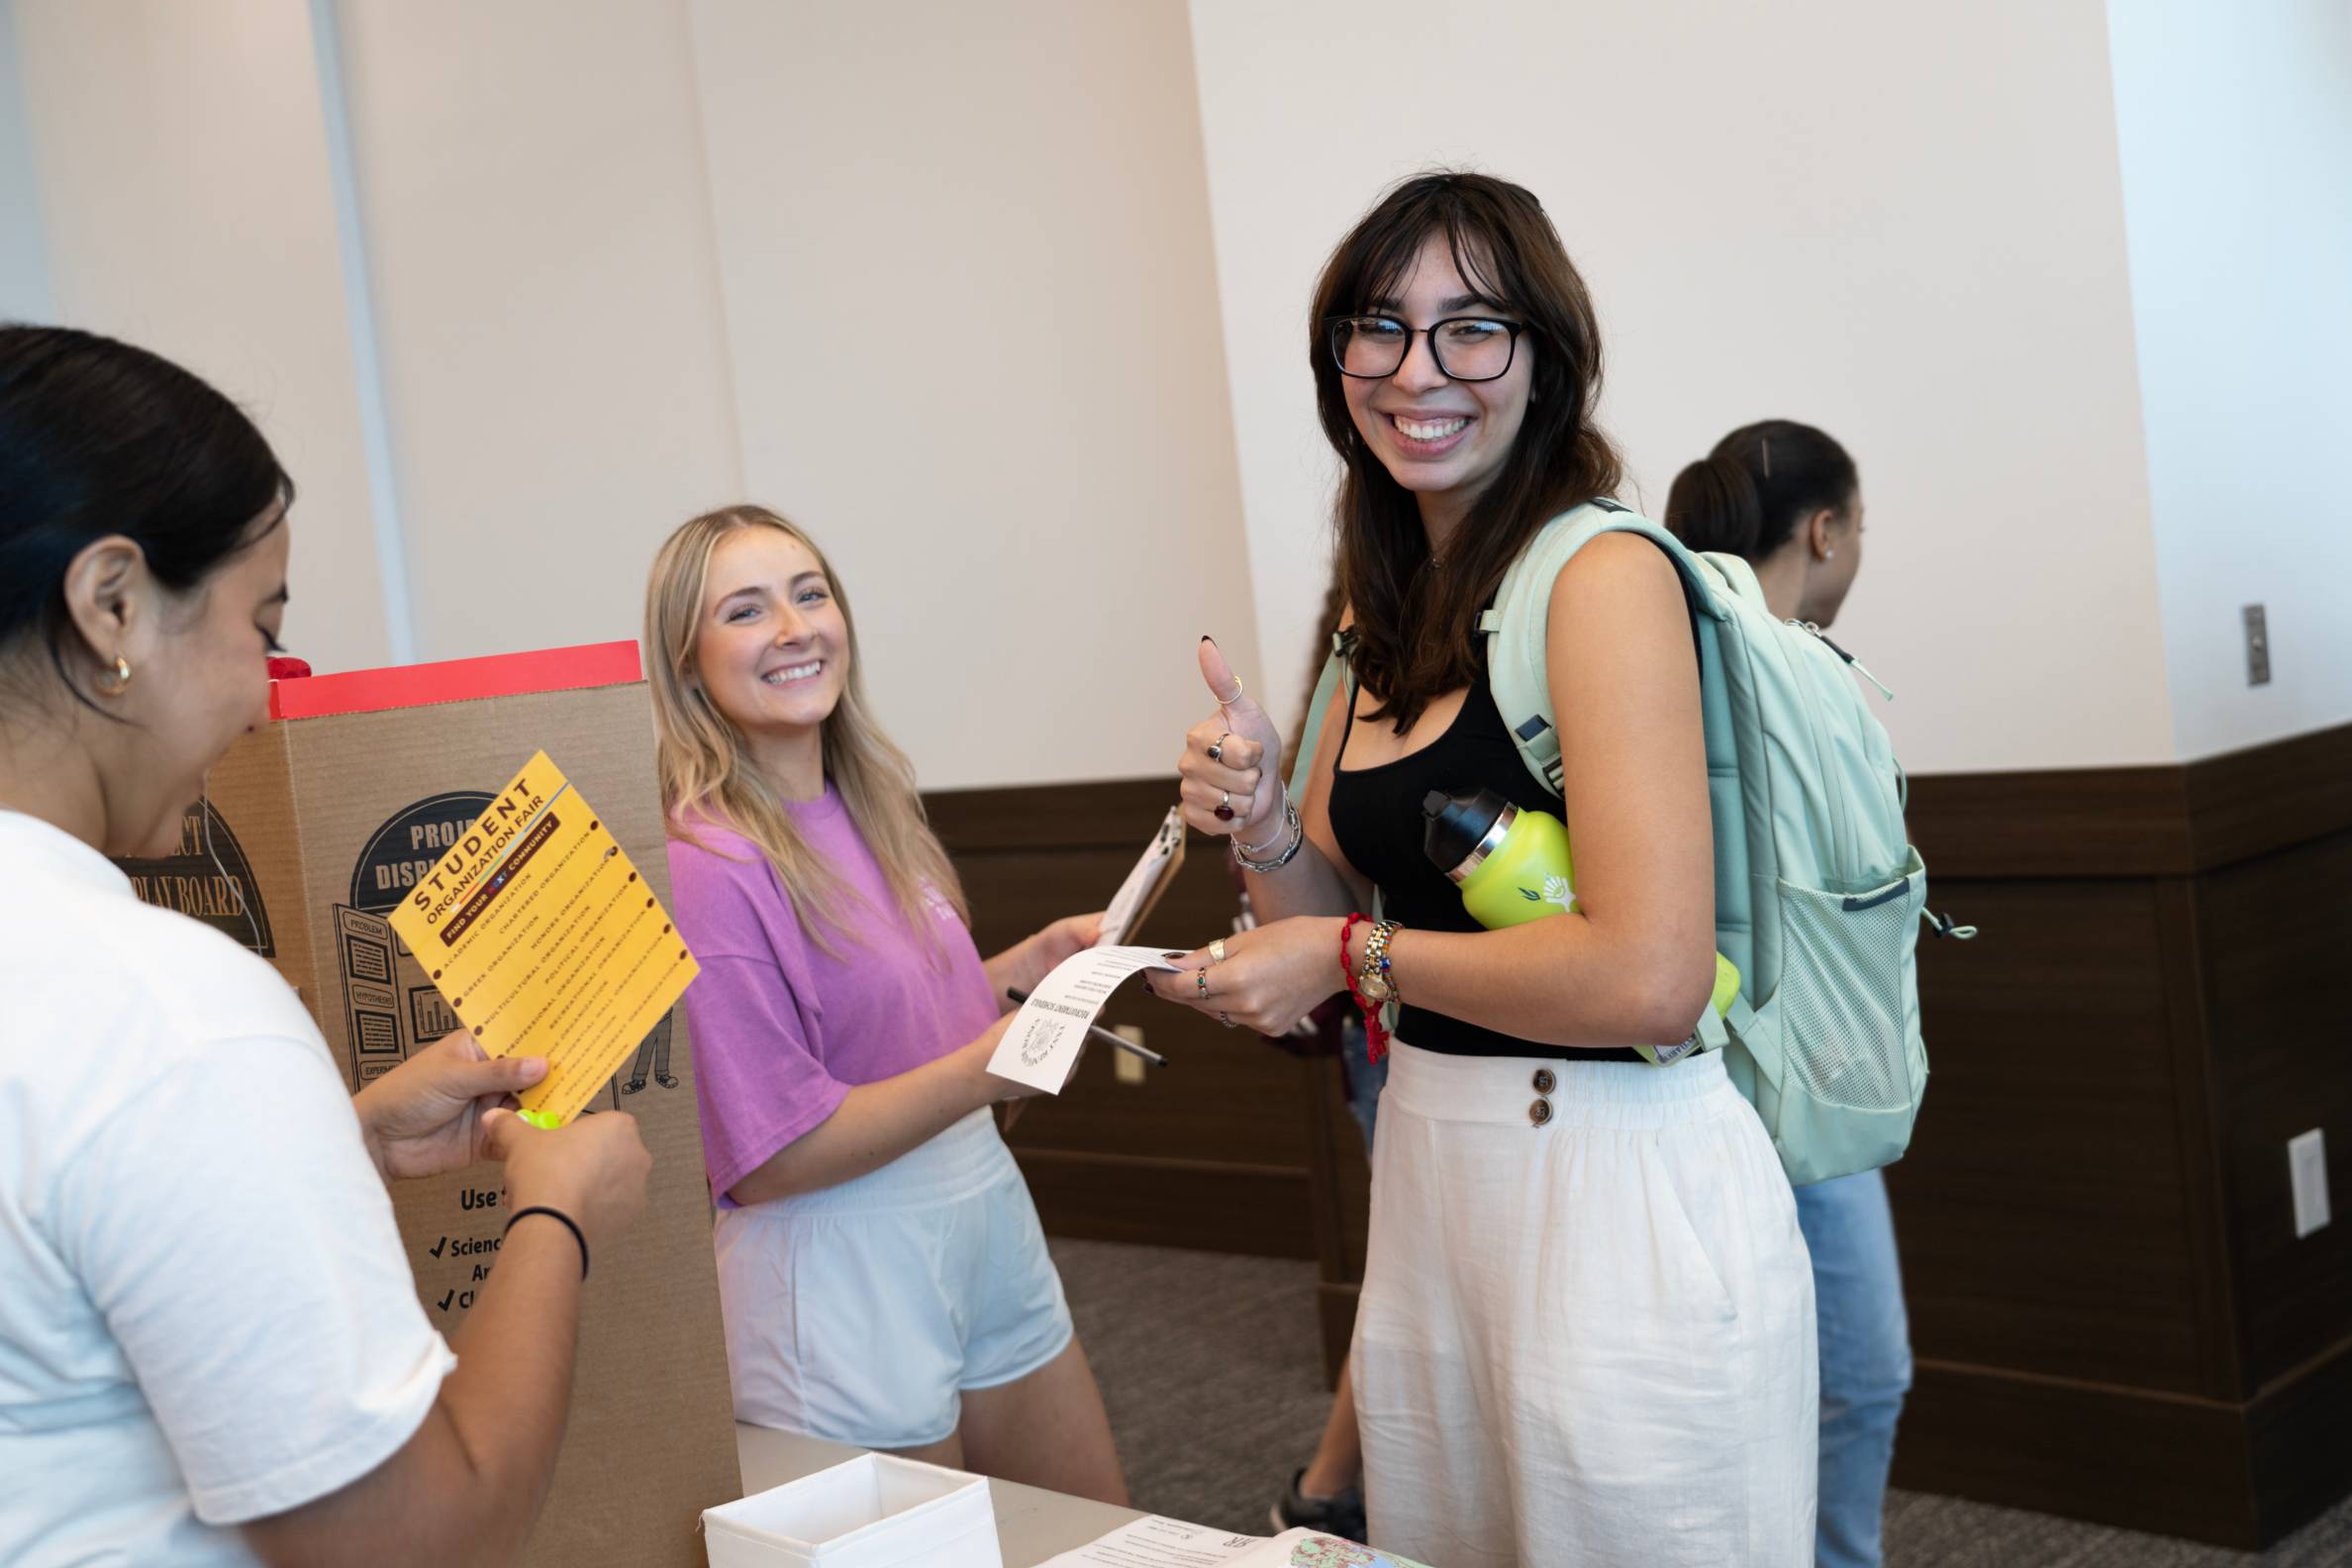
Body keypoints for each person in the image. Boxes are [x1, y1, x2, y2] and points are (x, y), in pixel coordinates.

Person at [1149, 173, 1816, 1565]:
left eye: (1473, 328)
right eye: (1377, 327)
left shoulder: (1601, 577)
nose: (1417, 371)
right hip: (1438, 1167)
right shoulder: (1368, 614)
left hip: (1617, 1185)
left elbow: (1650, 976)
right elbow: (1324, 910)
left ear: (1547, 356)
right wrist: (1266, 816)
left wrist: (1342, 958)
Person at [0, 323, 652, 1566]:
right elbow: (417, 1538)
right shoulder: (174, 1012)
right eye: (262, 627)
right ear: (113, 604)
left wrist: (327, 1137)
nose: (266, 697)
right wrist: (555, 1217)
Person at [646, 505, 1127, 1505]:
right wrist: (995, 1061)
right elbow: (774, 1155)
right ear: (688, 665)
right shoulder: (703, 866)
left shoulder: (871, 801)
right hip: (837, 1263)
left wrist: (1022, 970)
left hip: (979, 1204)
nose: (793, 626)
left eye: (809, 593)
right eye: (746, 610)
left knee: (1094, 1533)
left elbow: (887, 1023)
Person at [1668, 420, 1909, 1568]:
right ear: (1824, 529)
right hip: (1804, 1069)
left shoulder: (1672, 650)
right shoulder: (1802, 673)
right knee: (1861, 1372)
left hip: (1688, 1069)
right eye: (1858, 528)